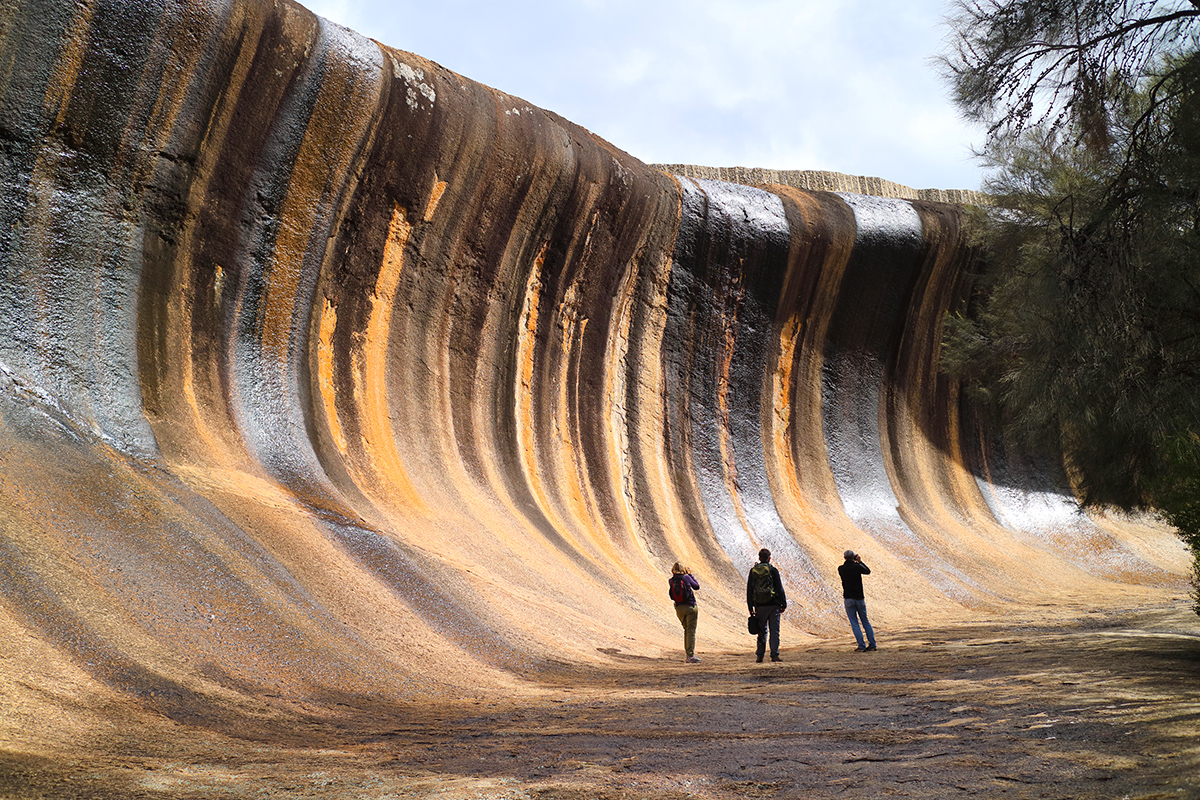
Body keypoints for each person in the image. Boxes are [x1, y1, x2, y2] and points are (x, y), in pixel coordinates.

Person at [746, 548, 787, 662]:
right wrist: (783, 603)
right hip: (773, 604)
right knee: (774, 631)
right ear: (769, 559)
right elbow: (779, 587)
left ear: (759, 558)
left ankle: (760, 655)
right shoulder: (773, 570)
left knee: (761, 631)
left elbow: (749, 589)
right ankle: (774, 655)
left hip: (759, 605)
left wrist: (750, 607)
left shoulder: (753, 571)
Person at [838, 549, 876, 652]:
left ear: (844, 557)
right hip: (859, 597)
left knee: (854, 623)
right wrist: (859, 561)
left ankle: (861, 645)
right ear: (853, 557)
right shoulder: (857, 567)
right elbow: (867, 571)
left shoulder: (841, 569)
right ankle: (872, 645)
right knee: (865, 621)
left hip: (848, 598)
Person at [669, 562, 701, 663]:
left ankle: (689, 654)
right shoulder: (686, 577)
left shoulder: (671, 580)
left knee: (686, 630)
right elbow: (696, 586)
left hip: (679, 608)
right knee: (690, 631)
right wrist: (690, 574)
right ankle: (690, 656)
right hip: (690, 607)